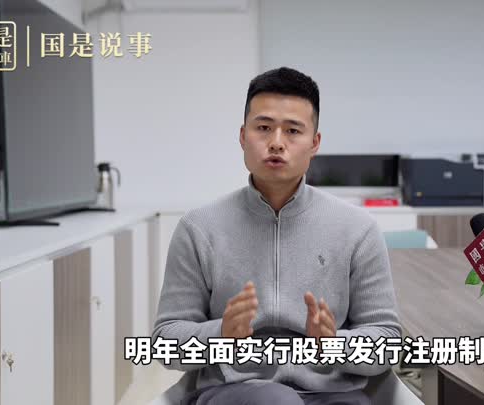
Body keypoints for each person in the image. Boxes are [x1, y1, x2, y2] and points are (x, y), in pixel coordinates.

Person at [152, 66, 402, 405]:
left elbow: (388, 342)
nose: (276, 143)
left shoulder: (357, 228)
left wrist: (335, 344)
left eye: (293, 131)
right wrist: (221, 334)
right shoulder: (199, 227)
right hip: (236, 392)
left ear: (314, 143)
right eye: (264, 128)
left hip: (333, 393)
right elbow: (165, 342)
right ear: (243, 136)